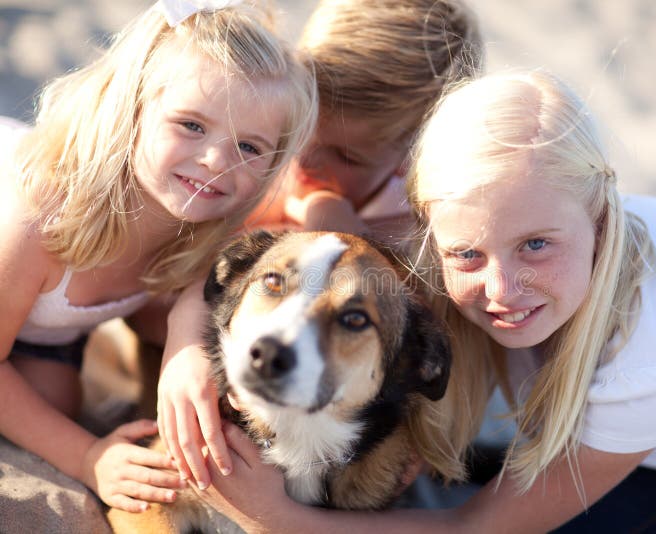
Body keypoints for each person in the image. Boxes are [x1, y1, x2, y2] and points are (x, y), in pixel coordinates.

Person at [187, 69, 656, 533]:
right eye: (467, 257)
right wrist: (185, 358)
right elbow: (246, 255)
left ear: (601, 219)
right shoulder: (491, 216)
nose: (501, 291)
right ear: (433, 231)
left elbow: (476, 527)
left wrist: (278, 518)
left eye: (536, 245)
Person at [0, 0, 316, 514]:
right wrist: (87, 458)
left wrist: (184, 346)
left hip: (45, 330)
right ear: (132, 106)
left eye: (249, 147)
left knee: (56, 402)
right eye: (191, 125)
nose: (215, 161)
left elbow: (175, 295)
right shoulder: (38, 221)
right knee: (52, 427)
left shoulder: (204, 217)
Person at [157, 0, 484, 491]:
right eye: (304, 127)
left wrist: (349, 229)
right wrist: (183, 350)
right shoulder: (270, 160)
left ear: (416, 151)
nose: (306, 159)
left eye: (347, 154)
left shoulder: (426, 225)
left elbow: (425, 336)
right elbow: (207, 270)